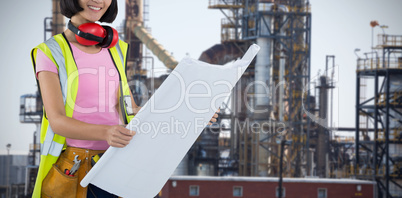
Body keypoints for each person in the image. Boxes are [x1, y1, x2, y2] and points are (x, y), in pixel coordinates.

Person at [31, 0, 218, 197]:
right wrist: (106, 133)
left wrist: (188, 112)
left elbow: (129, 109)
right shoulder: (50, 52)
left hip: (122, 162)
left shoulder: (116, 48)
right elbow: (57, 121)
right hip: (79, 169)